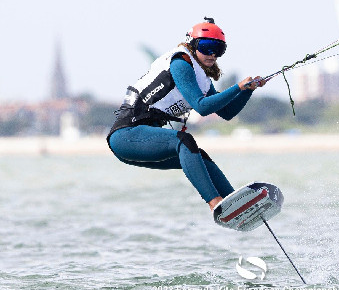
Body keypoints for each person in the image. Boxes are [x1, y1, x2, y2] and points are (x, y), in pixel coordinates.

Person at [106, 17, 266, 211]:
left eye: (219, 49)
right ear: (193, 45)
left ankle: (237, 205)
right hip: (126, 136)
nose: (212, 54)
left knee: (199, 157)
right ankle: (215, 204)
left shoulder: (202, 79)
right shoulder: (180, 63)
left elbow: (227, 112)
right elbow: (202, 107)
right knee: (184, 141)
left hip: (141, 140)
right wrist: (237, 87)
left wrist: (246, 91)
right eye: (207, 46)